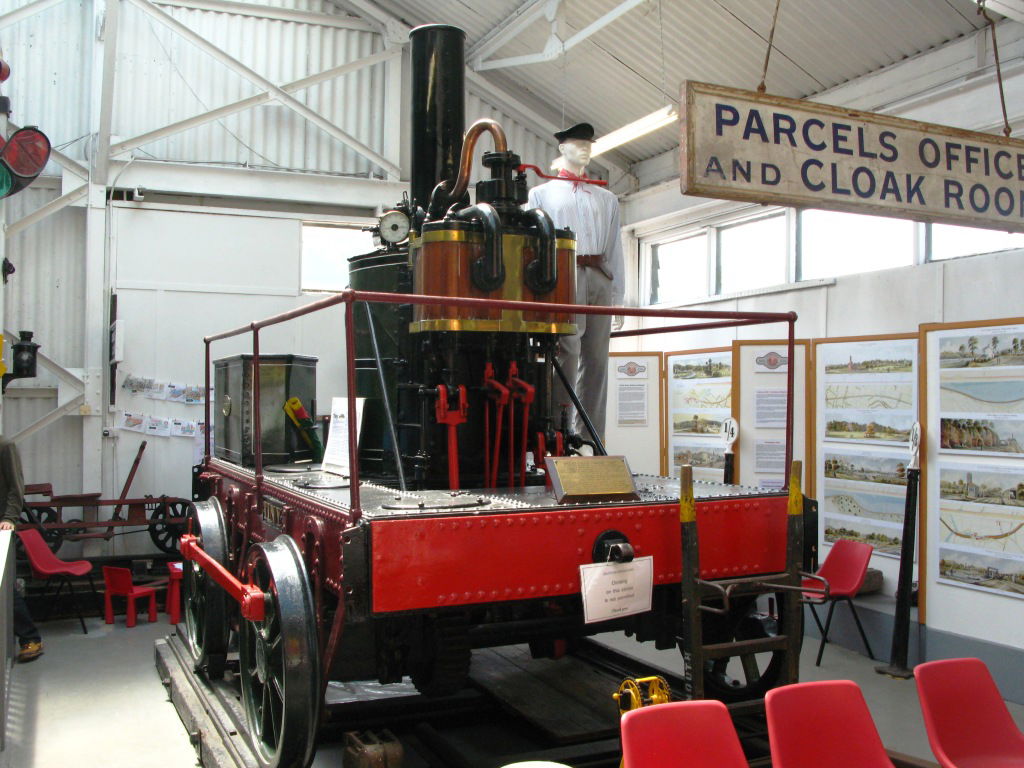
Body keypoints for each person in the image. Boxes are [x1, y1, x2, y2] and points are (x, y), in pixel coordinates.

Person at [527, 122, 624, 441]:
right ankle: (560, 428)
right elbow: (534, 245)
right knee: (567, 351)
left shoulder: (606, 198)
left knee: (597, 357)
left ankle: (591, 435)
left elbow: (614, 247)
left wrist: (618, 296)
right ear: (562, 148)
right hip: (564, 274)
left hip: (598, 273)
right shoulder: (541, 194)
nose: (585, 149)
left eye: (588, 144)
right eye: (578, 144)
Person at [0, 438, 43, 662]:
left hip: (1, 526)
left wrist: (9, 518)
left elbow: (16, 487)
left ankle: (30, 638)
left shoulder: (5, 446)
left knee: (4, 587)